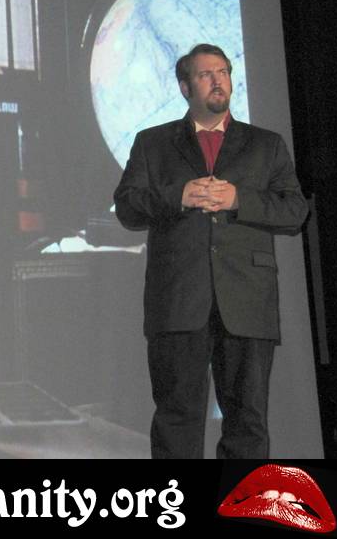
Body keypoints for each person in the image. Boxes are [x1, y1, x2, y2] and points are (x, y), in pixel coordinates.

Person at [113, 43, 308, 459]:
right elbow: (127, 207)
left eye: (223, 72)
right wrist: (177, 196)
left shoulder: (266, 144)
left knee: (247, 422)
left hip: (248, 299)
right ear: (185, 87)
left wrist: (240, 199)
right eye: (205, 74)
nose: (218, 81)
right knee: (177, 419)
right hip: (178, 299)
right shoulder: (153, 143)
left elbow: (295, 212)